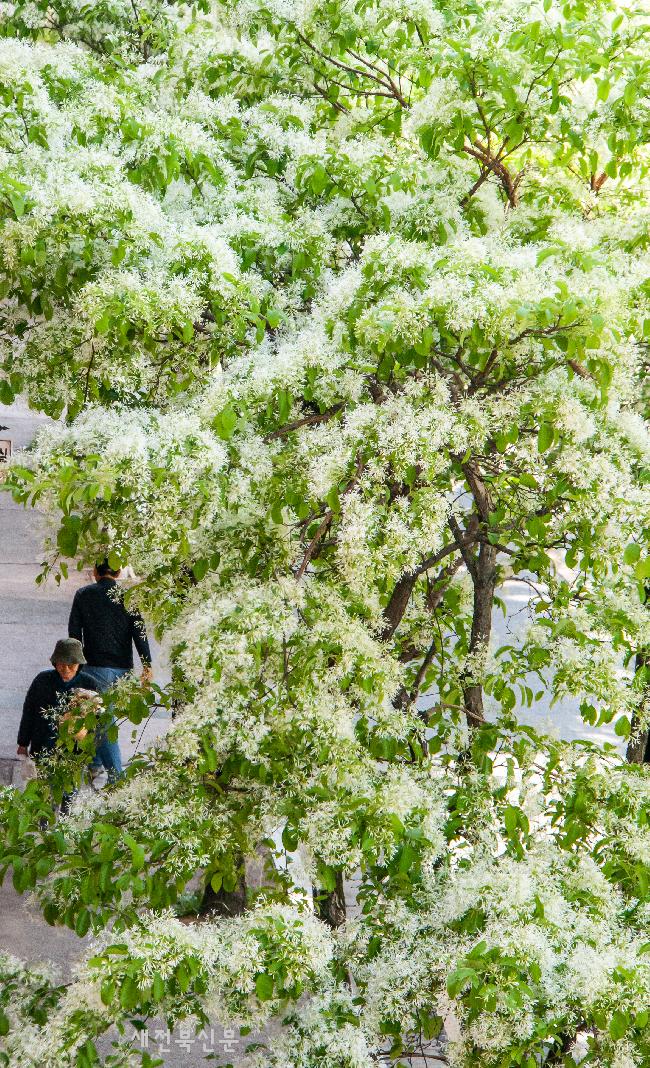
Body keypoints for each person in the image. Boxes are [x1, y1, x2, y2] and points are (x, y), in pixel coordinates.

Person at [68, 558, 152, 779]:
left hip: (94, 667)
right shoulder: (128, 597)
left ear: (95, 571)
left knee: (103, 720)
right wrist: (147, 664)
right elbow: (139, 632)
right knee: (102, 715)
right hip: (123, 669)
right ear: (118, 572)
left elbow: (74, 634)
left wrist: (74, 666)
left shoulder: (84, 595)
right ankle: (95, 763)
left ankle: (117, 777)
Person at [16, 639, 100, 807]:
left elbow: (96, 720)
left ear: (79, 664)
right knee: (43, 791)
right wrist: (23, 742)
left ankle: (63, 823)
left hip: (73, 750)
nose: (66, 669)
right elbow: (29, 712)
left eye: (71, 665)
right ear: (55, 663)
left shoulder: (89, 685)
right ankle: (43, 826)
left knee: (69, 791)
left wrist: (89, 748)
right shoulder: (42, 680)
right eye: (61, 664)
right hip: (43, 746)